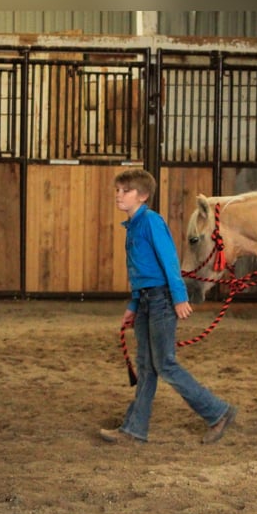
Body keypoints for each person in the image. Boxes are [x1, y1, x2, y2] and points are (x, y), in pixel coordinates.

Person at [100, 169, 236, 445]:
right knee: (147, 366)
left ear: (143, 196)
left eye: (125, 191)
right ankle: (134, 430)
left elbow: (168, 260)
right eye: (118, 190)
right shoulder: (134, 226)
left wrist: (178, 296)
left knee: (164, 364)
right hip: (148, 300)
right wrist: (134, 304)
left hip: (161, 299)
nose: (119, 195)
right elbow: (141, 271)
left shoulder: (151, 222)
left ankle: (217, 412)